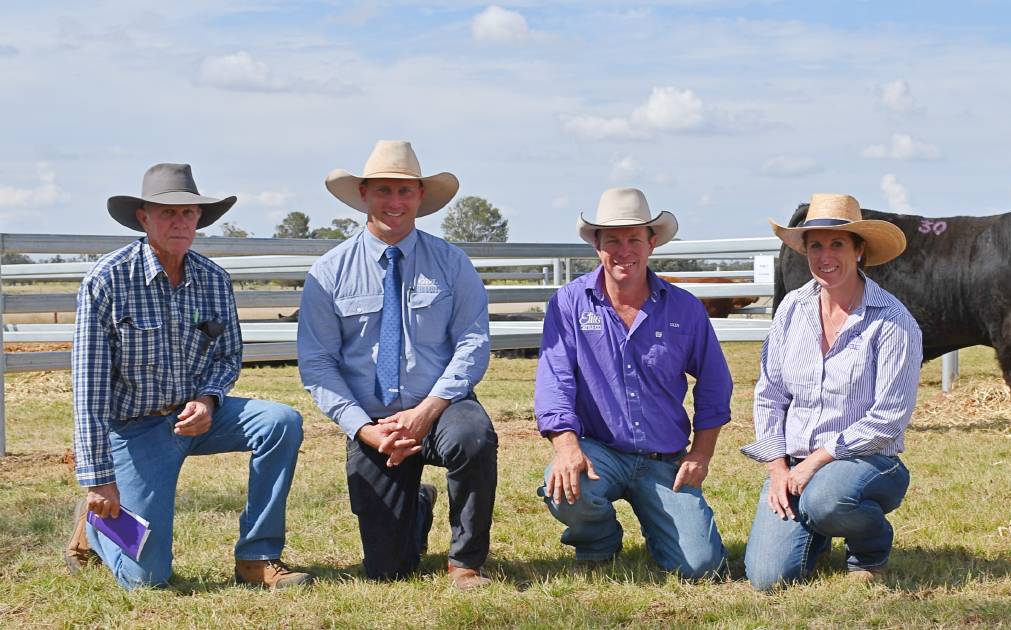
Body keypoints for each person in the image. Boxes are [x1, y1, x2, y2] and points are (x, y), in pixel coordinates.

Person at [66, 163, 311, 590]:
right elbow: (89, 389)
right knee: (147, 580)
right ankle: (95, 526)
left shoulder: (213, 279)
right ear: (143, 218)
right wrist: (99, 480)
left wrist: (209, 398)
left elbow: (228, 355)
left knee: (280, 422)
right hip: (135, 428)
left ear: (199, 219)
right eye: (167, 212)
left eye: (188, 213)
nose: (179, 221)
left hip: (198, 416)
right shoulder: (107, 280)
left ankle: (258, 555)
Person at [297, 140, 496, 589]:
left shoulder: (451, 262)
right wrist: (364, 429)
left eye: (405, 191)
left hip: (442, 406)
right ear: (364, 194)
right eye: (384, 190)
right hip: (373, 420)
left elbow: (473, 341)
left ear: (420, 197)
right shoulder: (329, 273)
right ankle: (417, 506)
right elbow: (318, 363)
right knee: (388, 570)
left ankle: (465, 562)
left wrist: (427, 411)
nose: (395, 202)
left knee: (474, 437)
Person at [534, 187, 733, 578]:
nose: (624, 250)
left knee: (701, 566)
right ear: (597, 245)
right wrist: (566, 446)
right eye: (613, 241)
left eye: (634, 239)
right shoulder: (569, 303)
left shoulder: (684, 308)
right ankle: (598, 540)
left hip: (663, 458)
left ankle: (663, 526)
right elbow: (554, 380)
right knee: (567, 485)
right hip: (598, 450)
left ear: (651, 243)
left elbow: (714, 383)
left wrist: (701, 453)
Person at [741, 193, 922, 589]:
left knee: (826, 500)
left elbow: (888, 418)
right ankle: (816, 526)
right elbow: (770, 393)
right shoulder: (792, 309)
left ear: (860, 250)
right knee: (767, 578)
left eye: (837, 243)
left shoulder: (892, 321)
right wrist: (777, 470)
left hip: (870, 462)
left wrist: (815, 462)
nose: (825, 255)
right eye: (815, 245)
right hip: (795, 464)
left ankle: (869, 547)